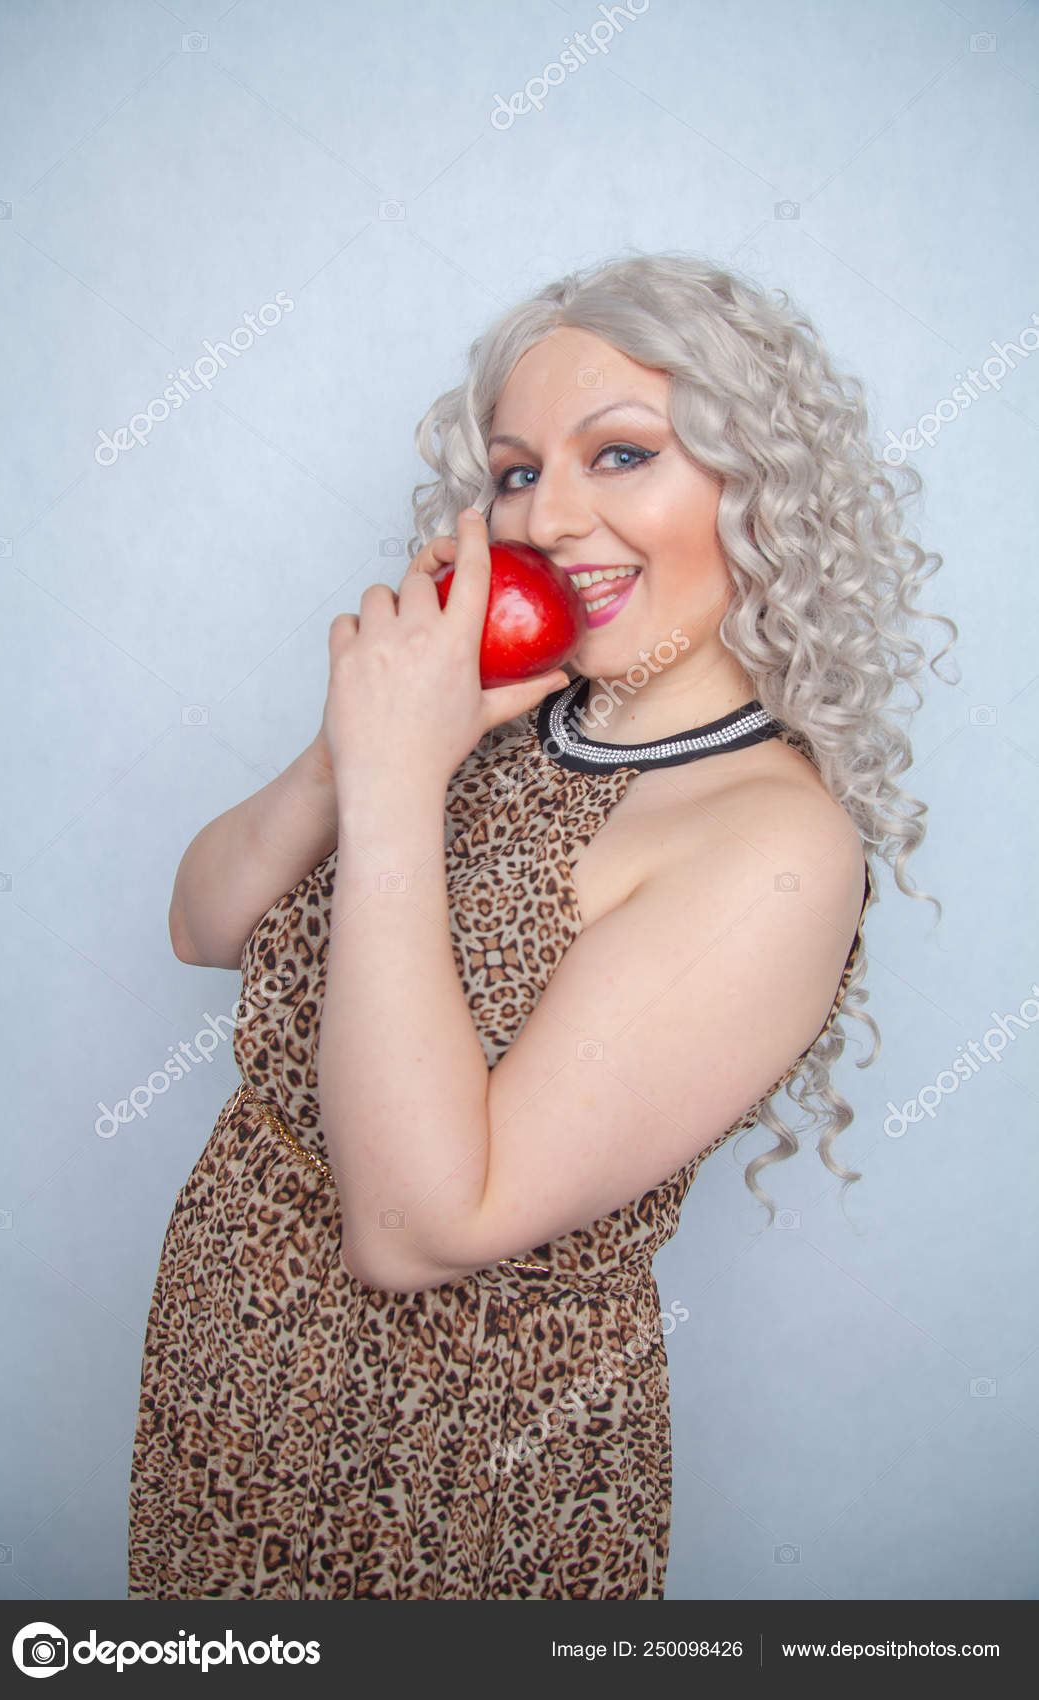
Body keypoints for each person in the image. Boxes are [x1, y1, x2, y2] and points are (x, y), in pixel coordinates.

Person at [127, 252, 956, 1601]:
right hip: (236, 1373)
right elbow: (203, 923)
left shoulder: (775, 848)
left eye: (621, 454)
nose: (551, 519)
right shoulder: (491, 714)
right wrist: (351, 748)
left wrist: (398, 789)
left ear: (756, 484)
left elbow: (417, 1229)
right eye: (517, 472)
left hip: (455, 1453)